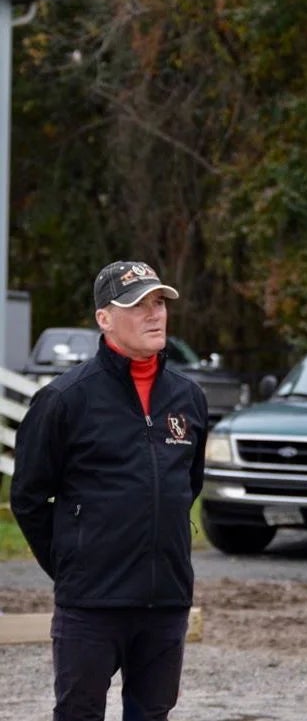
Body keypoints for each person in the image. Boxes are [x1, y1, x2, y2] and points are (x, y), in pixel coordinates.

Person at [11, 261, 209, 721]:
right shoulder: (65, 400)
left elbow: (187, 485)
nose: (154, 314)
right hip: (91, 606)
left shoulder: (189, 399)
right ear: (104, 318)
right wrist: (73, 564)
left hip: (166, 603)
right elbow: (28, 497)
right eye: (138, 305)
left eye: (158, 302)